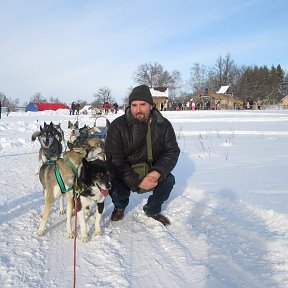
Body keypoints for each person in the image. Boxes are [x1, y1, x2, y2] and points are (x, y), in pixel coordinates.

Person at [105, 85, 180, 226]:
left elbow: (172, 151)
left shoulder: (163, 125)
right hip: (125, 171)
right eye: (134, 105)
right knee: (113, 180)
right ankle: (120, 206)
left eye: (142, 105)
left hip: (151, 171)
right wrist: (137, 181)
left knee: (168, 180)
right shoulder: (117, 126)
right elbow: (114, 159)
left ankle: (152, 209)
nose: (138, 109)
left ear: (151, 105)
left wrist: (157, 172)